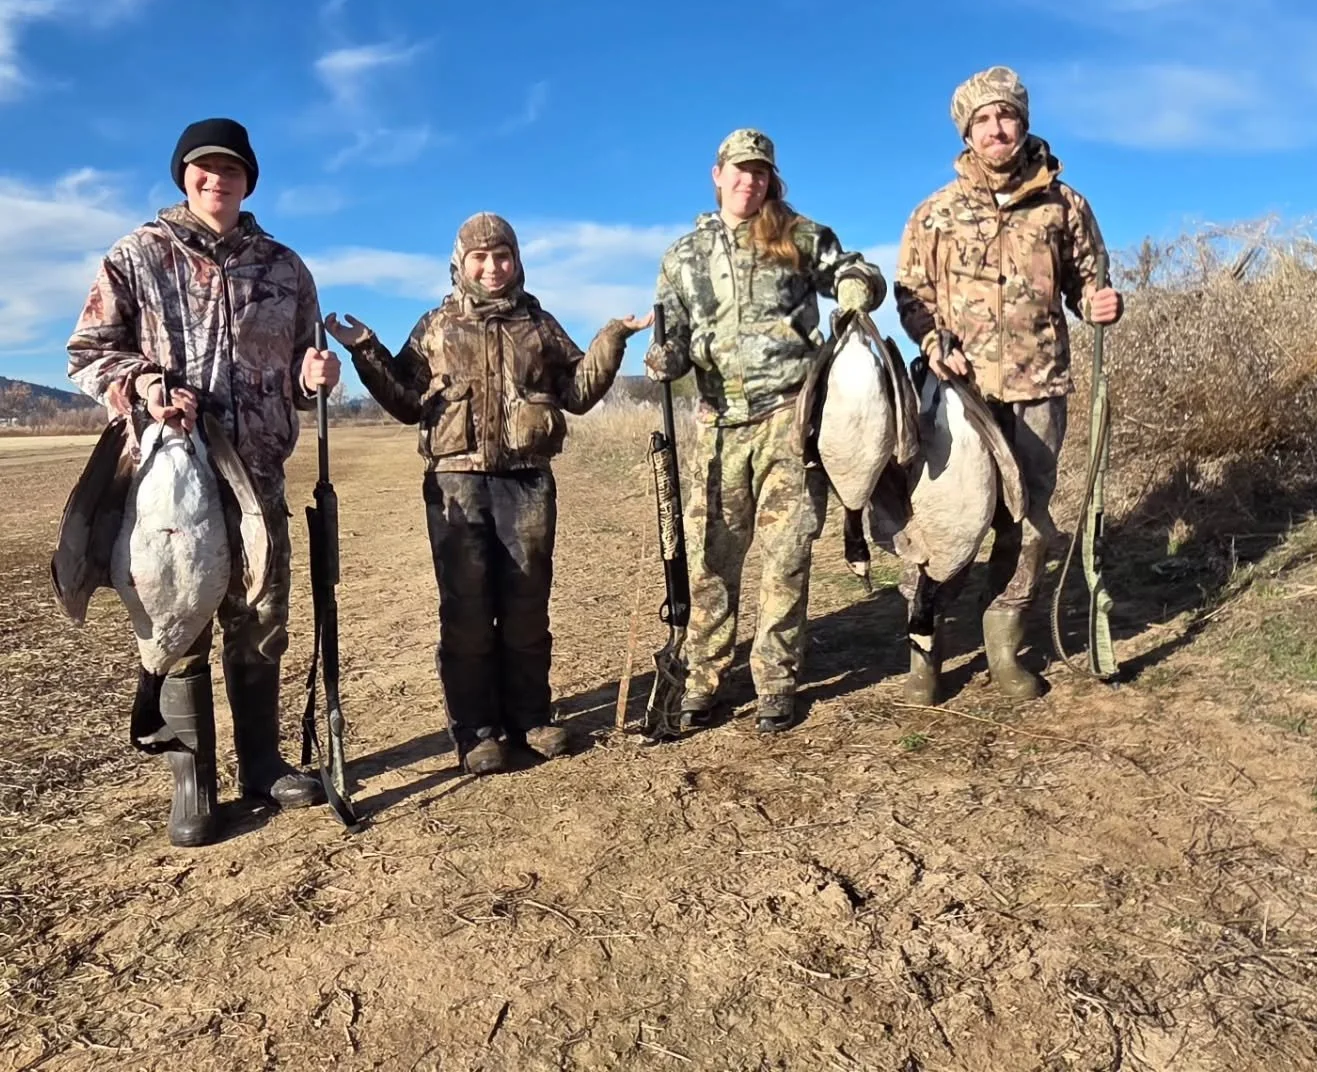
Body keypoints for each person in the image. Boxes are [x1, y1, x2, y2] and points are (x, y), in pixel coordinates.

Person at [67, 118, 341, 845]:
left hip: (256, 476)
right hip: (168, 481)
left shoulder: (285, 268)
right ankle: (193, 782)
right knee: (176, 623)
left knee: (260, 620)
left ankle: (262, 765)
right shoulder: (137, 255)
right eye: (202, 169)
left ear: (250, 178)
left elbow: (303, 374)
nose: (216, 179)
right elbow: (89, 352)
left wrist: (316, 380)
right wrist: (147, 385)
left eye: (230, 169)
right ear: (183, 178)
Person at [325, 213, 648, 776]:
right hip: (457, 481)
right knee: (467, 611)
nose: (493, 267)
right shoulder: (435, 325)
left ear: (516, 261)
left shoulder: (538, 324)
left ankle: (530, 717)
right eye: (481, 257)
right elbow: (404, 401)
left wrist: (611, 339)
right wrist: (366, 350)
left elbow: (576, 393)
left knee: (526, 606)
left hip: (527, 481)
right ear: (461, 263)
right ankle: (476, 730)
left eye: (502, 256)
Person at [646, 130, 886, 735]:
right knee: (709, 560)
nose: (749, 181)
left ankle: (776, 680)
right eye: (739, 170)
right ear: (717, 174)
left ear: (770, 179)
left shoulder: (798, 235)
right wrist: (664, 359)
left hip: (788, 419)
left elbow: (858, 269)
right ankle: (703, 679)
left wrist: (854, 299)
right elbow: (668, 333)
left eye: (760, 172)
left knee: (787, 557)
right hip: (718, 426)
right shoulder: (682, 256)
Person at [894, 67, 1123, 701]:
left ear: (1022, 122)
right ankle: (925, 648)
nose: (998, 130)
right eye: (984, 120)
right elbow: (911, 293)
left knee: (1028, 524)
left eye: (1007, 117)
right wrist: (933, 342)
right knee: (942, 521)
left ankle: (1003, 646)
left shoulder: (1065, 204)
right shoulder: (935, 210)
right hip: (958, 397)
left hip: (1039, 388)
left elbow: (1086, 283)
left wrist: (1100, 304)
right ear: (967, 132)